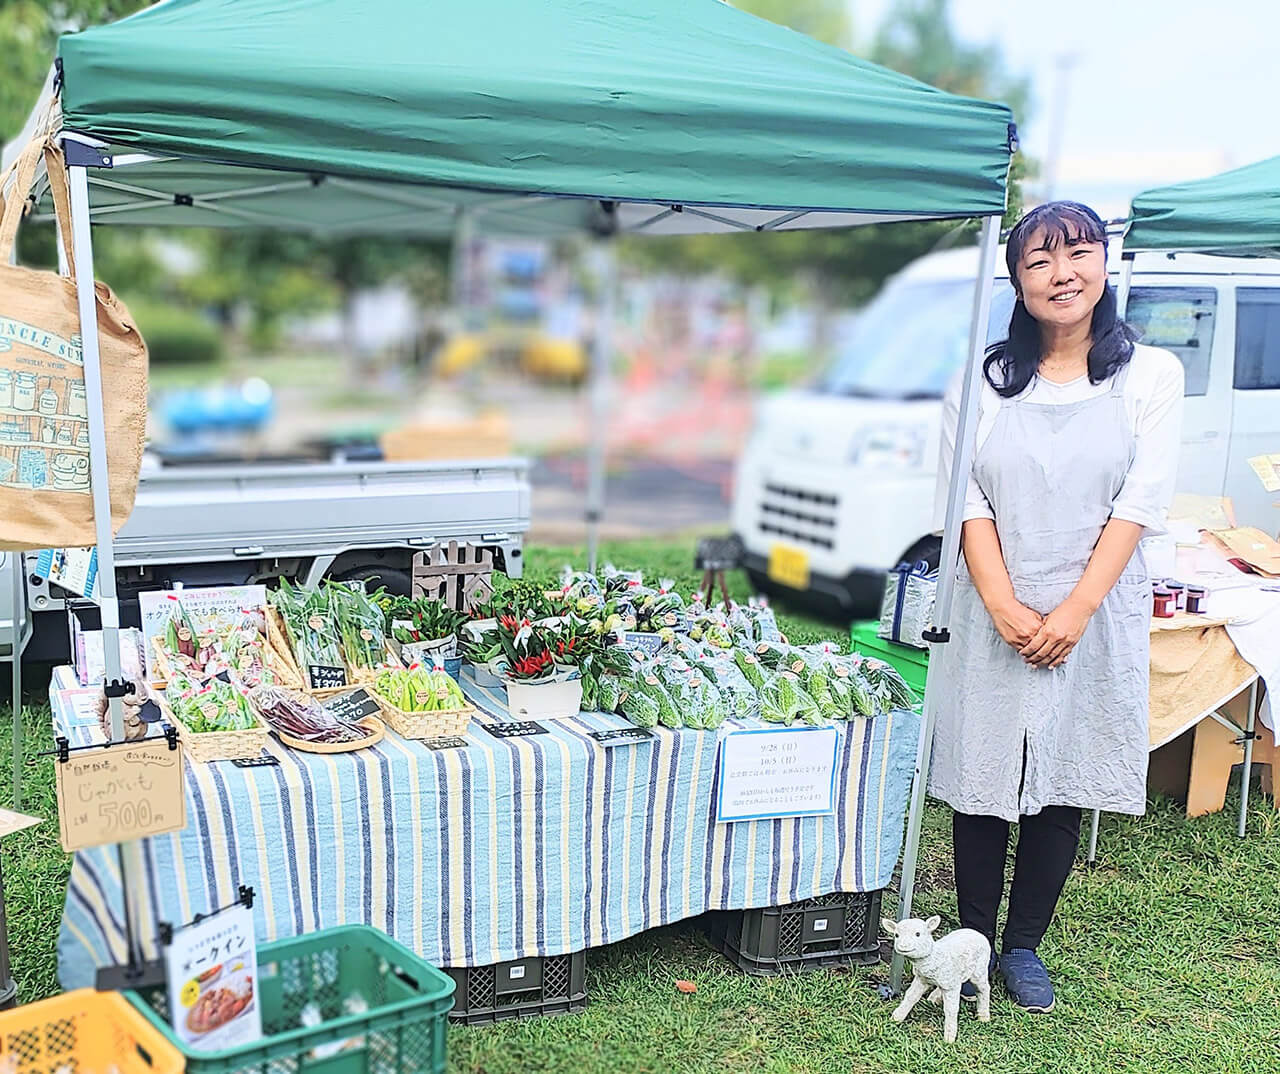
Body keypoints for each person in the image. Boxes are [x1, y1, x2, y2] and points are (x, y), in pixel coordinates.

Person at [930, 201, 1184, 1014]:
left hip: (1094, 605)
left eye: (1077, 254)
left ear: (1104, 266)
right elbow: (963, 495)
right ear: (1016, 281)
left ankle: (1024, 946)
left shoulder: (1150, 375)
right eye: (1039, 261)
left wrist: (1075, 607)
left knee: (1061, 775)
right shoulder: (981, 379)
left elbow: (1138, 503)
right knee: (984, 772)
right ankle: (971, 935)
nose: (1061, 273)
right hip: (995, 595)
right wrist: (1003, 601)